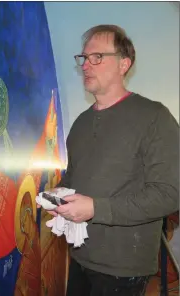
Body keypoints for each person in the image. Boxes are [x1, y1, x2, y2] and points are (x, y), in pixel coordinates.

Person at [38, 24, 179, 296]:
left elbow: (170, 194)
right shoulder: (80, 123)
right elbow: (76, 179)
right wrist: (60, 195)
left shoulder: (155, 118)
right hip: (79, 255)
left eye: (97, 57)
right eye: (83, 58)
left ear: (124, 64)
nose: (86, 65)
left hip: (124, 268)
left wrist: (96, 209)